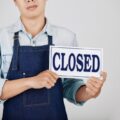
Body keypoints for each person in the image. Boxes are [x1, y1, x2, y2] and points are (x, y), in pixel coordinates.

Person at [0, 0, 107, 120]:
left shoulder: (66, 37)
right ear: (14, 1)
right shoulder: (2, 38)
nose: (30, 0)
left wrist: (89, 92)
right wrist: (32, 81)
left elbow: (70, 86)